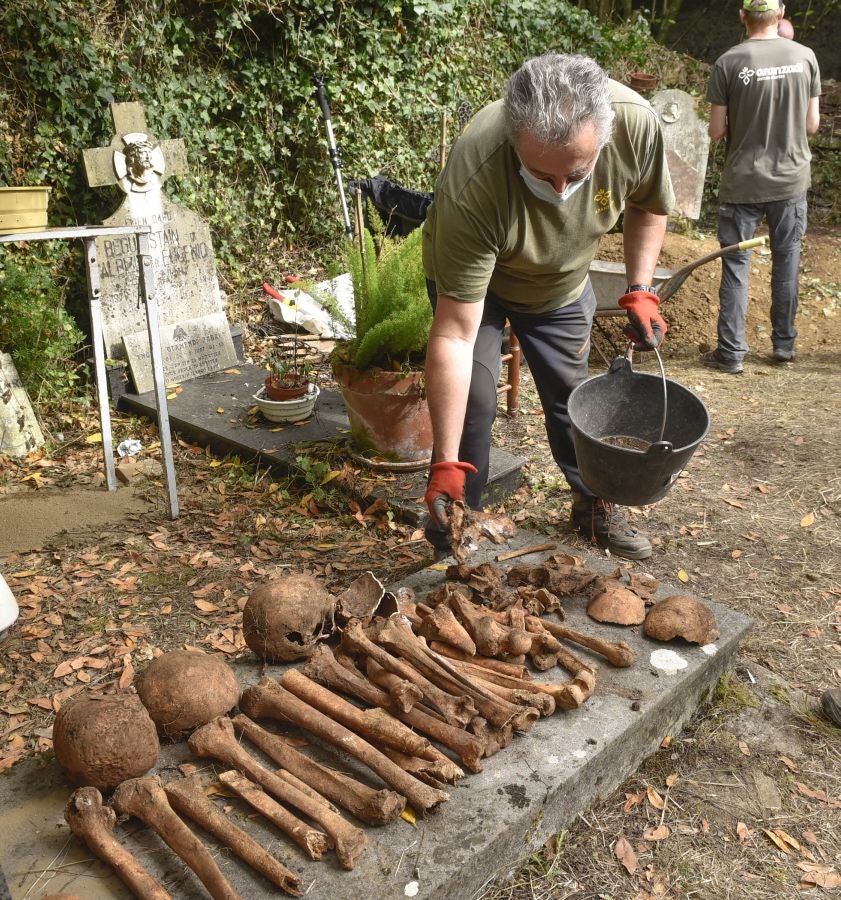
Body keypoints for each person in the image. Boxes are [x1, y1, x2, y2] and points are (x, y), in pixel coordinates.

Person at [421, 53, 675, 561]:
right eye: (541, 174)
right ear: (515, 140)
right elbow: (453, 335)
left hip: (561, 283)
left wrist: (641, 287)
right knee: (473, 401)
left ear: (604, 139)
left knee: (574, 398)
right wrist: (445, 460)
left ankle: (593, 504)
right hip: (479, 289)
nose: (560, 192)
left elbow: (648, 205)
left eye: (576, 174)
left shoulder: (636, 126)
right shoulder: (477, 175)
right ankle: (454, 521)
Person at [703, 0, 820, 374]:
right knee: (787, 262)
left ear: (743, 17)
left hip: (743, 182)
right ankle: (784, 345)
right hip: (791, 179)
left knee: (736, 268)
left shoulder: (729, 62)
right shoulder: (805, 57)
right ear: (781, 14)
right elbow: (812, 126)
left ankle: (732, 353)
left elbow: (717, 131)